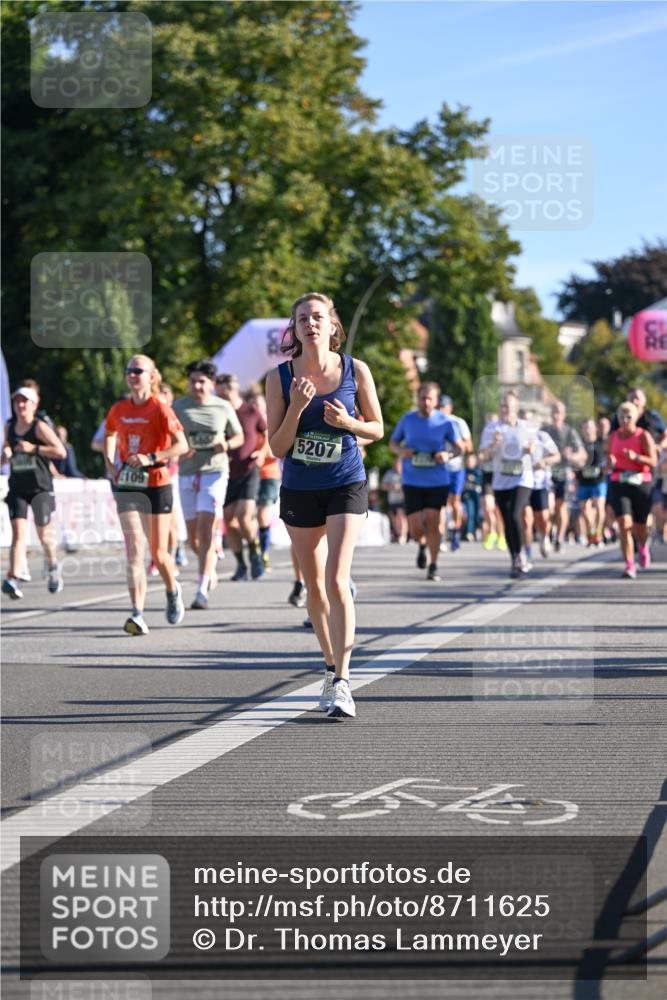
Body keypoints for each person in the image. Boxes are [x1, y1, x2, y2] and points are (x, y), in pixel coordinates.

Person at [266, 291, 383, 719]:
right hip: (300, 487)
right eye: (302, 319)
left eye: (317, 317)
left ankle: (344, 681)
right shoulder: (280, 377)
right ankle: (331, 667)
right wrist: (297, 408)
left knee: (337, 578)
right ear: (295, 330)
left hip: (345, 482)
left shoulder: (355, 369)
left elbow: (378, 428)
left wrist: (349, 423)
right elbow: (277, 447)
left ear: (333, 325)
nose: (310, 324)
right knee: (314, 586)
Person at [104, 354, 188, 634]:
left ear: (151, 376)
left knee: (158, 553)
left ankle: (172, 588)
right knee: (133, 550)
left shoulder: (160, 409)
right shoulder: (119, 408)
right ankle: (137, 613)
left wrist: (151, 457)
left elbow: (182, 445)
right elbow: (109, 434)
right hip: (128, 483)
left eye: (138, 371)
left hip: (156, 482)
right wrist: (110, 464)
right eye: (128, 370)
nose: (132, 375)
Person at [173, 359, 244, 610]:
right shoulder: (178, 406)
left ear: (212, 383)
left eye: (202, 381)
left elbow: (239, 436)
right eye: (193, 381)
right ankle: (210, 566)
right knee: (193, 538)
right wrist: (178, 450)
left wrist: (227, 444)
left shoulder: (223, 406)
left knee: (206, 531)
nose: (197, 386)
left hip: (215, 471)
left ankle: (201, 590)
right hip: (187, 472)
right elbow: (167, 437)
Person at [389, 382, 460, 582]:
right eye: (422, 398)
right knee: (415, 526)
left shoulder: (445, 422)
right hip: (412, 480)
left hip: (437, 480)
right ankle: (421, 543)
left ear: (436, 401)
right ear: (417, 399)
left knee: (433, 521)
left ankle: (433, 565)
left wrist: (448, 455)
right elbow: (393, 443)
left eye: (430, 398)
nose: (426, 402)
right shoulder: (407, 419)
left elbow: (460, 448)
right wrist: (401, 451)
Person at [2, 386, 67, 599]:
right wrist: (6, 453)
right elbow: (7, 450)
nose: (20, 405)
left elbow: (61, 452)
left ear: (34, 405)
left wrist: (34, 448)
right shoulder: (9, 426)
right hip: (18, 487)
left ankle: (53, 566)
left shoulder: (39, 427)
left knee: (44, 535)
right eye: (17, 401)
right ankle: (13, 577)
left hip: (40, 488)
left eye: (25, 401)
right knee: (18, 533)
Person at [216, 373, 268, 581]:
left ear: (234, 389)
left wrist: (262, 452)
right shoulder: (218, 411)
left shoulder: (250, 411)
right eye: (219, 393)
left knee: (244, 516)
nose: (222, 397)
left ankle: (255, 553)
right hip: (226, 472)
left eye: (225, 393)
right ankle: (240, 564)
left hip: (248, 469)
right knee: (229, 519)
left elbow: (267, 433)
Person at [479, 390, 535, 578]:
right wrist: (494, 444)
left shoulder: (526, 427)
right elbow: (482, 456)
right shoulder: (491, 429)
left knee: (514, 514)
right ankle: (515, 558)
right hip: (501, 481)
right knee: (507, 520)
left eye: (508, 407)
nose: (504, 410)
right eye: (502, 406)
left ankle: (521, 555)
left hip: (523, 478)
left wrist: (531, 449)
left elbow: (537, 450)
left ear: (516, 408)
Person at [606, 400, 657, 578]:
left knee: (640, 527)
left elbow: (653, 461)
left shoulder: (643, 435)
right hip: (619, 482)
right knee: (624, 524)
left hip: (641, 482)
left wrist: (636, 457)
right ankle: (629, 565)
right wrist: (609, 463)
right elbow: (606, 462)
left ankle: (642, 546)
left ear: (635, 417)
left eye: (629, 416)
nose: (625, 419)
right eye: (621, 416)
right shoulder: (613, 437)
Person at [245, 382, 282, 572]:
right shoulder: (247, 424)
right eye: (252, 405)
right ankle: (255, 550)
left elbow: (275, 446)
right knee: (247, 516)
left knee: (262, 514)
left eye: (258, 404)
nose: (255, 408)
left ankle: (264, 553)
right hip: (249, 474)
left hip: (269, 473)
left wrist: (261, 453)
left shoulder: (271, 421)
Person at [542, 401, 586, 552]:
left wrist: (572, 456)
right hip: (547, 474)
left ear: (564, 415)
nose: (556, 415)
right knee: (549, 507)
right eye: (554, 412)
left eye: (559, 412)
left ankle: (559, 538)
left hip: (564, 475)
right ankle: (547, 534)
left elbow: (582, 454)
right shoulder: (544, 431)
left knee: (561, 508)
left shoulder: (570, 432)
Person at [520, 408, 560, 563]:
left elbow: (556, 455)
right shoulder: (516, 437)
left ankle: (544, 537)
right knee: (526, 518)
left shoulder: (542, 436)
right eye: (523, 420)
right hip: (522, 483)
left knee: (542, 517)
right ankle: (527, 551)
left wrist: (544, 461)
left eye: (529, 420)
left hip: (540, 482)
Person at [438, 395, 472, 552]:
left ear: (450, 408)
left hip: (456, 468)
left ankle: (456, 532)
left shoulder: (458, 422)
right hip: (440, 468)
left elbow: (469, 446)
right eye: (439, 407)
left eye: (443, 407)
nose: (441, 410)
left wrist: (456, 444)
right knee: (441, 503)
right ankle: (441, 536)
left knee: (455, 502)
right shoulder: (434, 422)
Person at [574, 418, 607, 547]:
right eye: (585, 428)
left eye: (590, 427)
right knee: (585, 511)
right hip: (583, 481)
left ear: (595, 429)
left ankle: (598, 534)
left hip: (599, 480)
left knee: (599, 507)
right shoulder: (579, 445)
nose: (588, 430)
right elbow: (575, 463)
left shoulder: (601, 443)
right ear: (582, 430)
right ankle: (590, 532)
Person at [478, 412, 507, 553]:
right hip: (488, 475)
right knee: (488, 506)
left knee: (499, 510)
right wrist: (493, 444)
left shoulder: (507, 438)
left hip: (501, 476)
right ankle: (492, 531)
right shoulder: (485, 440)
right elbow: (481, 456)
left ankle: (501, 535)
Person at [381, 457, 408, 544]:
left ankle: (403, 535)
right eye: (396, 464)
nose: (397, 465)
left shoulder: (406, 472)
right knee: (394, 518)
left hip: (403, 499)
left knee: (401, 516)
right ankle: (398, 534)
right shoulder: (389, 473)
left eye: (399, 464)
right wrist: (392, 486)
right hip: (393, 500)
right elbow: (383, 486)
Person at [461, 454, 482, 541]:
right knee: (470, 512)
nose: (469, 462)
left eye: (471, 461)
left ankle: (476, 530)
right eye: (468, 461)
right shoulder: (464, 471)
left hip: (476, 495)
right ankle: (469, 532)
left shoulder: (478, 471)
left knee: (476, 513)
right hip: (467, 494)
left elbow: (481, 482)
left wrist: (474, 480)